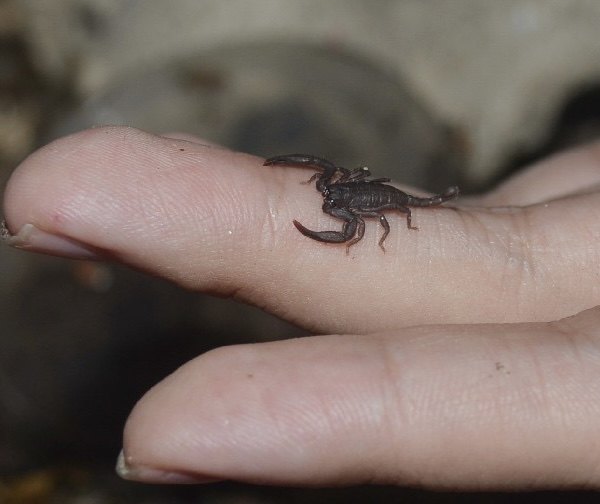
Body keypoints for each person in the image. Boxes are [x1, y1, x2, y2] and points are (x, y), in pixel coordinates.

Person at [3, 126, 600, 489]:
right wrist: (329, 187)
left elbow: (360, 226)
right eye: (328, 194)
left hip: (388, 202)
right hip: (378, 194)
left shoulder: (357, 209)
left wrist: (359, 223)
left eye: (331, 196)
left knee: (393, 211)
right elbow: (332, 176)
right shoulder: (334, 188)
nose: (328, 195)